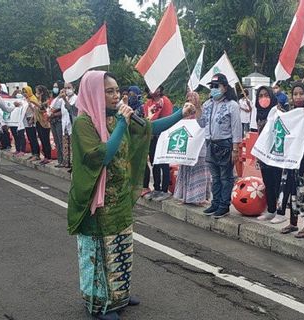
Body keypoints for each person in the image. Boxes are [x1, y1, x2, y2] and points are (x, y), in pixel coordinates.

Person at [67, 71, 193, 320]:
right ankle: (99, 304)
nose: (117, 96)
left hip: (120, 200)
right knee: (101, 254)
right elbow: (103, 155)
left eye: (117, 90)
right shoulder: (84, 123)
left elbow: (149, 128)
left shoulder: (118, 116)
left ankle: (119, 296)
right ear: (94, 93)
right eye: (109, 91)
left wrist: (182, 113)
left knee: (121, 250)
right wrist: (123, 123)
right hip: (98, 203)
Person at [275, 82, 304, 238]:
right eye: (295, 94)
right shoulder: (291, 111)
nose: (298, 97)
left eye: (301, 93)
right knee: (291, 189)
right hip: (290, 157)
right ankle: (293, 223)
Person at [197, 73, 242, 219]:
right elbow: (201, 123)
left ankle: (224, 205)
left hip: (225, 144)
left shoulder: (232, 105)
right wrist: (197, 107)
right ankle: (215, 203)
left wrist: (235, 149)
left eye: (217, 86)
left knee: (225, 177)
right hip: (210, 143)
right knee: (215, 177)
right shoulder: (207, 104)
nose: (214, 89)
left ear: (225, 87)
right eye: (212, 87)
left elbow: (236, 128)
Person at [174, 91, 212, 205]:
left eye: (193, 98)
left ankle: (200, 198)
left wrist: (197, 108)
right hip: (187, 147)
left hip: (200, 147)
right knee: (186, 170)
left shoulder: (202, 111)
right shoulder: (183, 112)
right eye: (188, 98)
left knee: (200, 171)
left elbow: (202, 123)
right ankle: (186, 197)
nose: (190, 100)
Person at [254, 86, 285, 222]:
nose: (263, 98)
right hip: (263, 154)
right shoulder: (259, 113)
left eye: (266, 95)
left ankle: (281, 212)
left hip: (276, 153)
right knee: (268, 182)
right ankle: (271, 210)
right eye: (260, 96)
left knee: (278, 183)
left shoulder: (279, 111)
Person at [142, 85, 174, 201]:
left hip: (163, 136)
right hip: (152, 136)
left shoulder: (165, 101)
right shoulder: (148, 103)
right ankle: (156, 188)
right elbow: (147, 119)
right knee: (154, 162)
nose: (153, 90)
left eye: (156, 88)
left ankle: (164, 190)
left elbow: (168, 119)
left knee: (163, 162)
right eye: (151, 88)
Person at [33, 85, 53, 165]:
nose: (36, 93)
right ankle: (45, 156)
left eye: (37, 91)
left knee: (46, 140)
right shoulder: (38, 100)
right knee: (41, 139)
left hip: (44, 123)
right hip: (38, 122)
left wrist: (35, 103)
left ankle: (48, 156)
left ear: (41, 92)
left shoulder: (46, 101)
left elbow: (44, 109)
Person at [23, 86, 41, 161]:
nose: (24, 93)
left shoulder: (33, 99)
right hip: (26, 120)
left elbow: (36, 110)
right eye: (23, 92)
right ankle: (33, 153)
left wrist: (32, 119)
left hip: (32, 120)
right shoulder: (25, 100)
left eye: (26, 92)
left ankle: (36, 154)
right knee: (30, 137)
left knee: (33, 138)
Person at [0, 80, 12, 150]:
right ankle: (3, 145)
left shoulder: (4, 94)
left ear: (0, 87)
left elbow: (9, 104)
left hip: (4, 114)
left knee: (5, 130)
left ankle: (8, 145)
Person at [49, 83, 65, 167]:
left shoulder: (64, 99)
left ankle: (64, 160)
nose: (55, 88)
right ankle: (60, 160)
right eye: (54, 86)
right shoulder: (56, 98)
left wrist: (54, 114)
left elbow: (63, 110)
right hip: (53, 121)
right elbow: (52, 106)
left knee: (61, 141)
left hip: (59, 121)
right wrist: (58, 96)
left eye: (56, 87)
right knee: (57, 142)